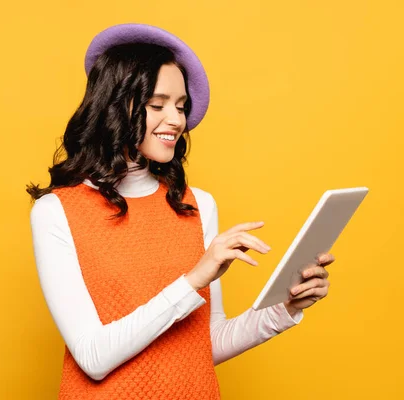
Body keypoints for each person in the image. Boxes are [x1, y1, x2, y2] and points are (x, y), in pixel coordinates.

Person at [27, 23, 333, 399]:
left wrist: (284, 308)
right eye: (157, 105)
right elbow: (93, 356)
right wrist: (194, 280)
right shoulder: (56, 211)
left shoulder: (198, 205)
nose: (176, 120)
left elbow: (206, 344)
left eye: (181, 106)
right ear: (114, 105)